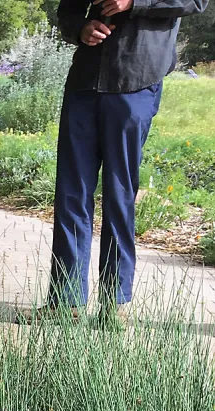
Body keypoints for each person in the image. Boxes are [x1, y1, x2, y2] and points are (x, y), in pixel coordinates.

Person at [41, 0, 208, 316]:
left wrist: (134, 2)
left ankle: (113, 306)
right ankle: (64, 303)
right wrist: (80, 29)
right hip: (84, 83)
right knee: (70, 194)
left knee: (119, 195)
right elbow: (68, 10)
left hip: (136, 79)